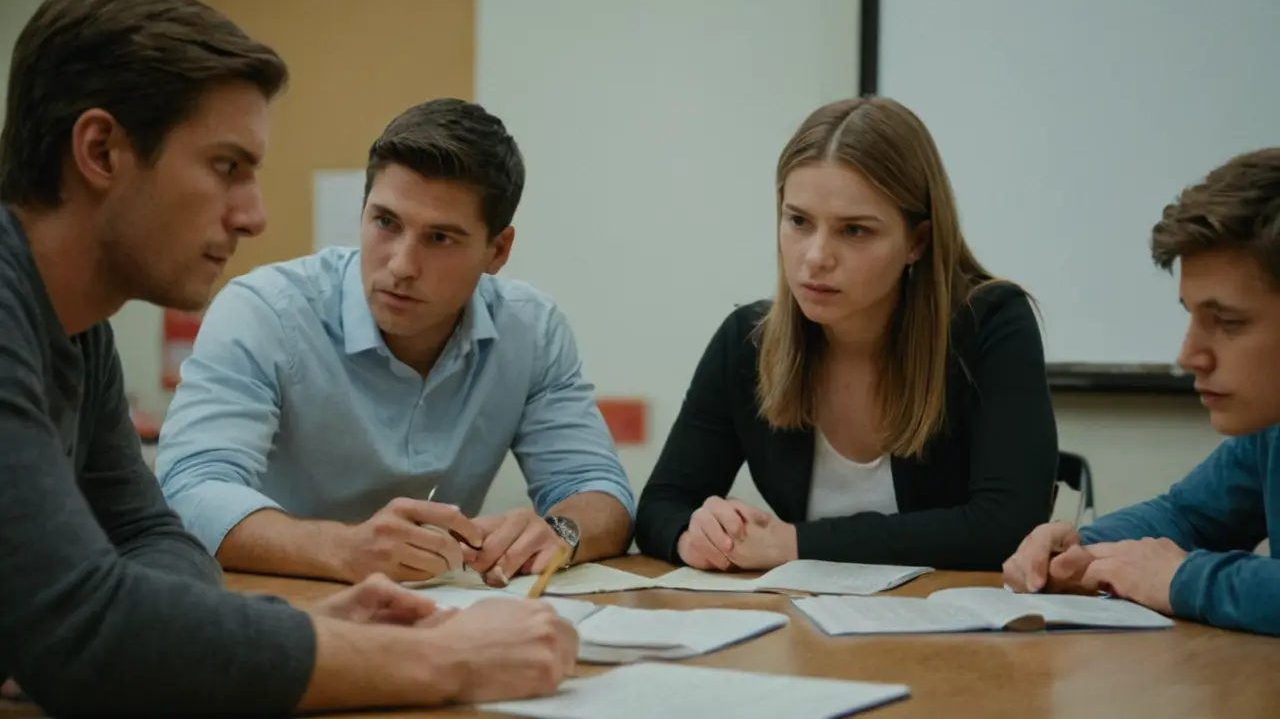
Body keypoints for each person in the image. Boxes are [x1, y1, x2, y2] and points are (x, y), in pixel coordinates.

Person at [0, 0, 577, 716]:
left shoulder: (78, 333)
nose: (254, 216)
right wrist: (438, 657)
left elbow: (148, 543)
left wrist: (288, 635)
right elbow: (90, 628)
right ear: (103, 150)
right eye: (226, 167)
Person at [155, 98, 635, 587]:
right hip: (274, 610)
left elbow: (600, 492)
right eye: (386, 223)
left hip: (437, 617)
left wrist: (560, 532)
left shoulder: (531, 330)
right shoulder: (264, 311)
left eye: (440, 238)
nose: (402, 265)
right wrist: (343, 550)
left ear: (497, 250)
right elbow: (188, 493)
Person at [634, 97, 1058, 572]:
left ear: (917, 241)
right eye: (798, 221)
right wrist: (694, 534)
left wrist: (794, 544)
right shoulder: (747, 341)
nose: (815, 256)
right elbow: (660, 506)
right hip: (807, 633)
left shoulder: (992, 323)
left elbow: (1008, 527)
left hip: (955, 635)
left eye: (854, 231)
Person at [1003, 148, 1280, 637]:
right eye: (1190, 315)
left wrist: (1182, 578)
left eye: (1229, 323)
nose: (1188, 354)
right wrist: (1080, 549)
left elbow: (1180, 565)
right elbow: (1188, 516)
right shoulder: (1270, 431)